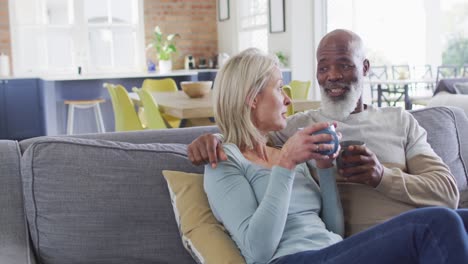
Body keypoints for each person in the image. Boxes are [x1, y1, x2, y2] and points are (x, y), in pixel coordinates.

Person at [204, 47, 468, 264]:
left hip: (333, 251)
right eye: (278, 89)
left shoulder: (285, 149)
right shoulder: (224, 162)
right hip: (291, 260)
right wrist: (286, 164)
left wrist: (325, 169)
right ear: (251, 98)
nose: (288, 100)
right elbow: (257, 251)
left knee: (461, 218)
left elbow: (334, 231)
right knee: (435, 224)